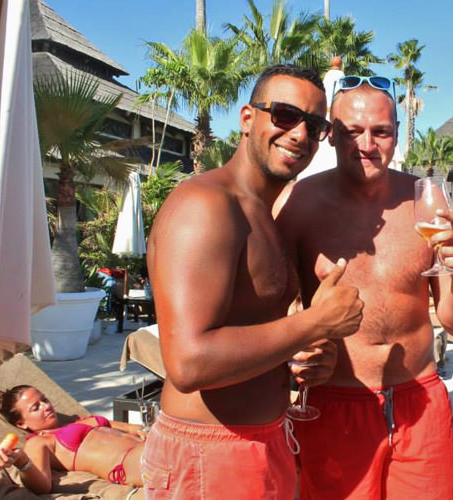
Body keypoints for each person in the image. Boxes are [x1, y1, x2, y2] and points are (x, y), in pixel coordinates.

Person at [142, 64, 363, 500]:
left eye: (315, 125)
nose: (300, 133)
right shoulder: (205, 206)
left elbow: (250, 333)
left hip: (264, 442)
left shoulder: (265, 215)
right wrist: (317, 323)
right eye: (283, 114)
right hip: (209, 455)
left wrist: (298, 362)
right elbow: (188, 364)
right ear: (247, 119)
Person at [277, 75, 453, 500]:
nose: (366, 144)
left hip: (419, 402)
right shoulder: (299, 203)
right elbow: (271, 306)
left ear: (396, 136)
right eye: (352, 131)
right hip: (333, 406)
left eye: (380, 132)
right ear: (330, 135)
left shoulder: (426, 200)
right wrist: (292, 351)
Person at [0, 385, 146, 494]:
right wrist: (22, 462)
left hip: (147, 448)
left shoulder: (77, 420)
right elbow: (42, 486)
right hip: (129, 464)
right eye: (36, 408)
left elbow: (132, 428)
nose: (46, 406)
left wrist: (144, 431)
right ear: (21, 424)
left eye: (44, 399)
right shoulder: (39, 442)